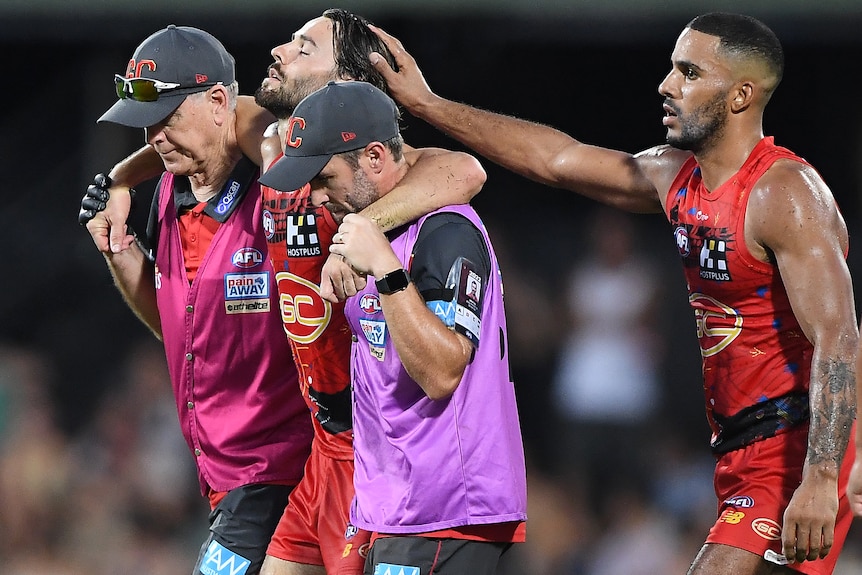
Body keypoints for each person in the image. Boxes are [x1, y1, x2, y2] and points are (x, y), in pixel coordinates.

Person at [368, 12, 858, 575]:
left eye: (689, 72)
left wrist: (823, 476)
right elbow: (553, 159)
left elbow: (840, 337)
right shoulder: (677, 178)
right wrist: (428, 104)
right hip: (737, 448)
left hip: (792, 446)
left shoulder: (785, 194)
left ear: (742, 95)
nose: (667, 85)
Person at [81, 11, 487, 575]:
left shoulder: (360, 181)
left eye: (304, 48)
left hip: (358, 450)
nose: (278, 50)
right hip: (314, 454)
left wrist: (356, 237)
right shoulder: (272, 146)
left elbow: (463, 169)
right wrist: (124, 180)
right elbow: (209, 124)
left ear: (346, 86)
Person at [259, 80, 527, 575]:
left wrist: (386, 270)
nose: (316, 197)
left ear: (375, 159)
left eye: (325, 178)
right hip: (394, 507)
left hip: (446, 507)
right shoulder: (377, 231)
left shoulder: (445, 232)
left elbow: (444, 370)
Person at [79, 24, 314, 575]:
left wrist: (118, 175)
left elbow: (267, 126)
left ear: (215, 103)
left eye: (165, 117)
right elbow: (179, 325)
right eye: (145, 124)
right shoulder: (168, 189)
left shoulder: (276, 187)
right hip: (221, 479)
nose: (155, 137)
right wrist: (120, 250)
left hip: (285, 469)